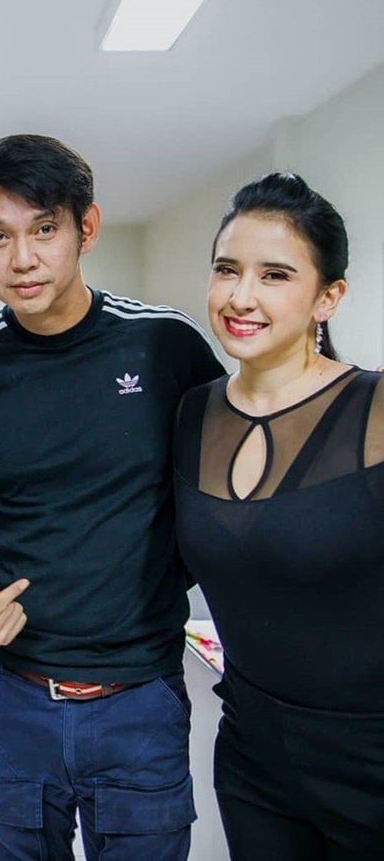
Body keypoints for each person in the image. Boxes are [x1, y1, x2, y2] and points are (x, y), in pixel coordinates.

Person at [0, 134, 224, 861]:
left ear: (86, 228)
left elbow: (225, 480)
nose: (23, 259)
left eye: (44, 229)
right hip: (7, 696)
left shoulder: (164, 345)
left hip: (140, 697)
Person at [173, 172, 384, 860]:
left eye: (275, 275)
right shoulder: (193, 413)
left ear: (329, 297)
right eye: (226, 269)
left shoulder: (375, 411)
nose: (241, 296)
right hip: (253, 755)